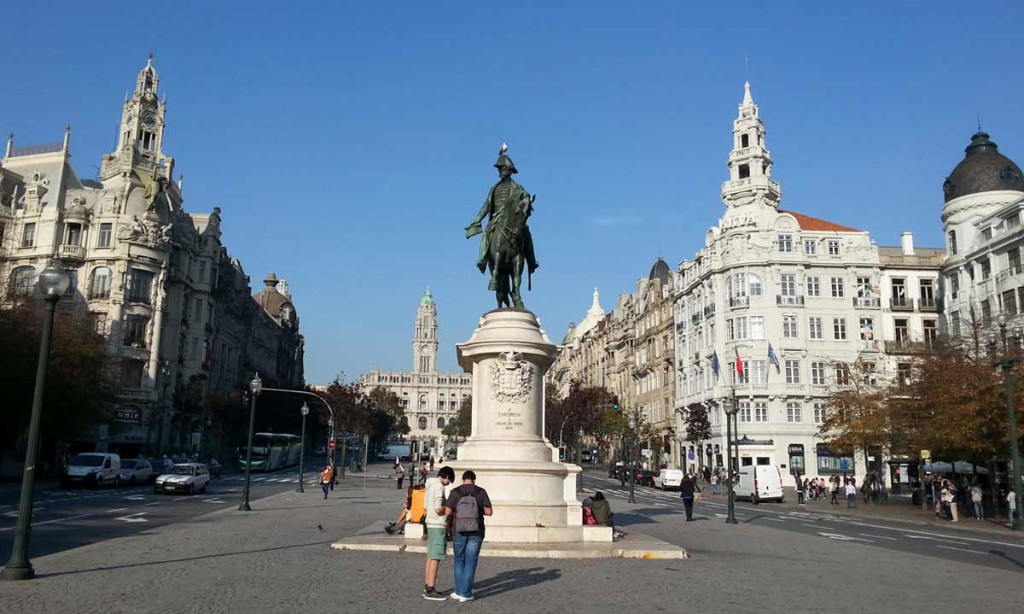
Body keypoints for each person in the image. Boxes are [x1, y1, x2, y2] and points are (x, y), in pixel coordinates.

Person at [444, 470, 493, 603]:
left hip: (459, 530)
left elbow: (447, 511)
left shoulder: (455, 492)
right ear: (474, 480)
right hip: (476, 531)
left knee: (459, 559)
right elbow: (489, 512)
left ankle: (458, 591)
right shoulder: (480, 492)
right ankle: (466, 593)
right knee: (471, 561)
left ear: (463, 479)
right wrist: (477, 509)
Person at [423, 467, 455, 601]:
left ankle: (428, 585)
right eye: (450, 480)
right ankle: (430, 589)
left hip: (430, 523)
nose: (449, 483)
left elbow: (426, 506)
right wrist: (450, 510)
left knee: (431, 556)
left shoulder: (430, 485)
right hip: (437, 524)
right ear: (446, 476)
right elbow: (438, 509)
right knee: (436, 557)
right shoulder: (439, 487)